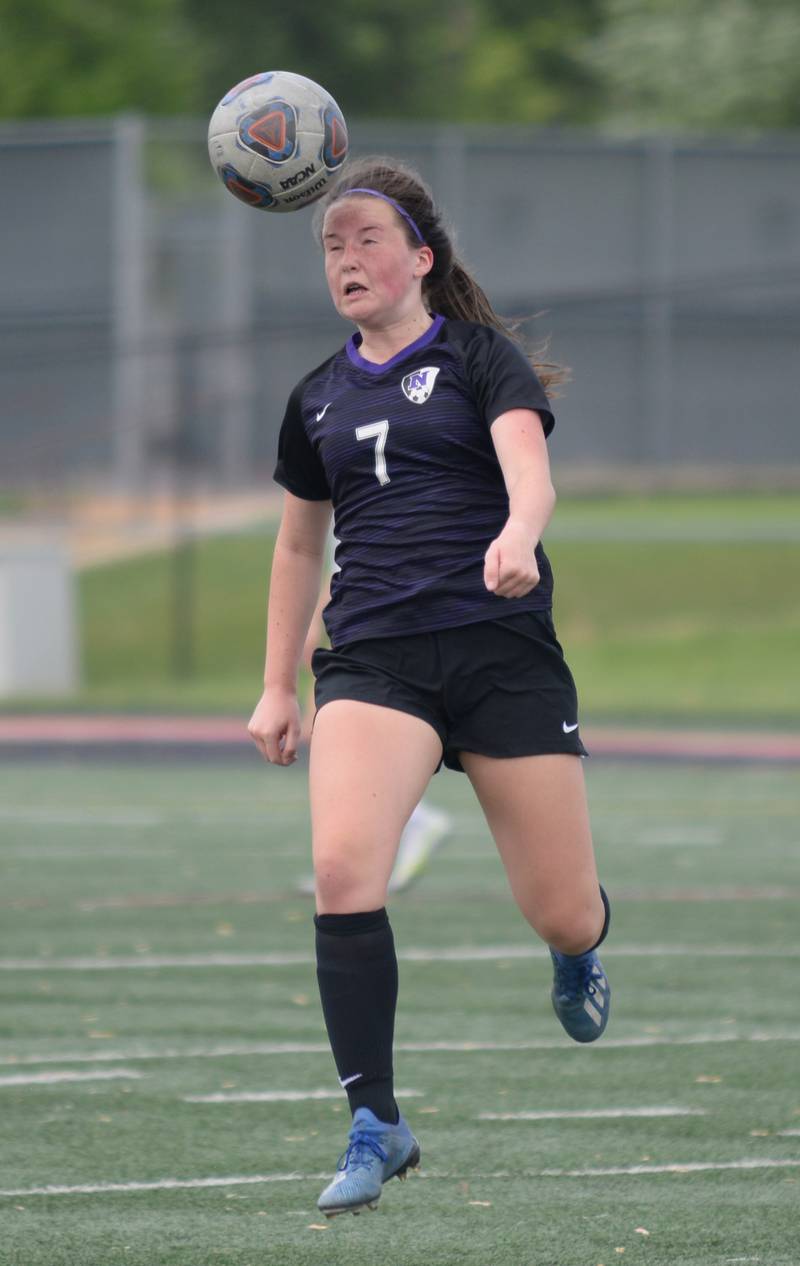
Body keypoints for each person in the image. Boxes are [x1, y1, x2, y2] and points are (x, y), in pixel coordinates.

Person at [247, 156, 611, 1218]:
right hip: (374, 658)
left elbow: (527, 471)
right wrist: (278, 685)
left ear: (418, 257)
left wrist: (517, 532)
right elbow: (294, 551)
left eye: (365, 238)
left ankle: (581, 949)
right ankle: (375, 1119)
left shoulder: (477, 360)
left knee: (558, 907)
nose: (346, 258)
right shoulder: (314, 396)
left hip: (500, 651)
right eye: (329, 245)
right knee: (341, 866)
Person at [297, 540, 452, 895]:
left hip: (368, 619)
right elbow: (335, 561)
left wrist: (316, 619)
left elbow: (347, 560)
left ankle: (409, 824)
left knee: (333, 738)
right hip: (358, 610)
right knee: (329, 738)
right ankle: (357, 858)